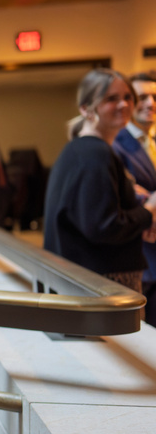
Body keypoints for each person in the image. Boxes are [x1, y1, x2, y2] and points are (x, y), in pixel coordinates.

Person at [44, 68, 156, 293]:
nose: (124, 105)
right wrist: (148, 212)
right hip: (106, 284)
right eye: (111, 99)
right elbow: (103, 227)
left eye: (127, 97)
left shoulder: (84, 149)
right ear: (86, 108)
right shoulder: (94, 153)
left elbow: (92, 217)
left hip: (95, 280)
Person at [112, 71, 156, 325]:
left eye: (154, 96)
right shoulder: (115, 145)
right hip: (144, 262)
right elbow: (126, 198)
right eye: (142, 97)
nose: (150, 103)